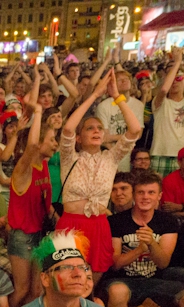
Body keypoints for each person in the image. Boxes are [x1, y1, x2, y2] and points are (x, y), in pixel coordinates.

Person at [58, 70, 142, 280]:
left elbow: (134, 129)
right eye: (89, 128)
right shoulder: (70, 157)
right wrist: (94, 96)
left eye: (100, 128)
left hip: (98, 226)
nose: (96, 131)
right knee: (67, 281)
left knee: (89, 285)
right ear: (79, 137)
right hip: (71, 226)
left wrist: (116, 97)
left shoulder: (110, 157)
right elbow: (67, 128)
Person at [104, 172, 184, 307]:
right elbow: (116, 264)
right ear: (134, 195)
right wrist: (140, 249)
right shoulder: (116, 221)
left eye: (151, 192)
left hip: (155, 280)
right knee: (117, 292)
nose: (145, 197)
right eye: (141, 192)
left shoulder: (167, 221)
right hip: (122, 280)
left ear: (159, 196)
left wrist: (152, 243)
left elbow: (163, 262)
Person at [7, 103, 56, 307]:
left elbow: (45, 203)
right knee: (22, 289)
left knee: (37, 291)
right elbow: (32, 145)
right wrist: (38, 112)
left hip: (41, 234)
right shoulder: (23, 170)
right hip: (23, 237)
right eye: (52, 140)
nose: (56, 144)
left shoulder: (43, 165)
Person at [96, 70, 147, 172]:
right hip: (110, 151)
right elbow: (104, 138)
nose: (123, 81)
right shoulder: (104, 106)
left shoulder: (138, 105)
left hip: (130, 152)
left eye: (126, 79)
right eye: (119, 80)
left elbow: (138, 134)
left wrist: (112, 137)